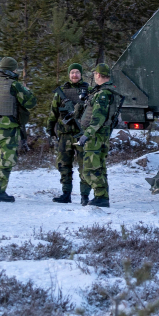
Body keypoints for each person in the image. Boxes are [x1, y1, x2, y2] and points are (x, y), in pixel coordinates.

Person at [0, 57, 37, 202]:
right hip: (8, 129)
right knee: (6, 159)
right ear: (13, 69)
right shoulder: (14, 85)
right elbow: (31, 102)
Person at [78, 63, 121, 208]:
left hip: (95, 136)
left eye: (94, 74)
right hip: (101, 136)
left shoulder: (103, 94)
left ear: (98, 75)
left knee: (91, 168)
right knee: (99, 167)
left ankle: (101, 197)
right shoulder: (106, 91)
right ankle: (101, 196)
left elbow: (98, 118)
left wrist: (87, 134)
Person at [47, 63, 90, 204]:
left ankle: (85, 196)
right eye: (72, 72)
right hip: (64, 135)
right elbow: (53, 112)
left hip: (82, 135)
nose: (75, 75)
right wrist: (50, 129)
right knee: (64, 165)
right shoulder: (62, 92)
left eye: (77, 72)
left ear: (81, 74)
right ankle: (66, 194)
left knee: (84, 165)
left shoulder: (88, 91)